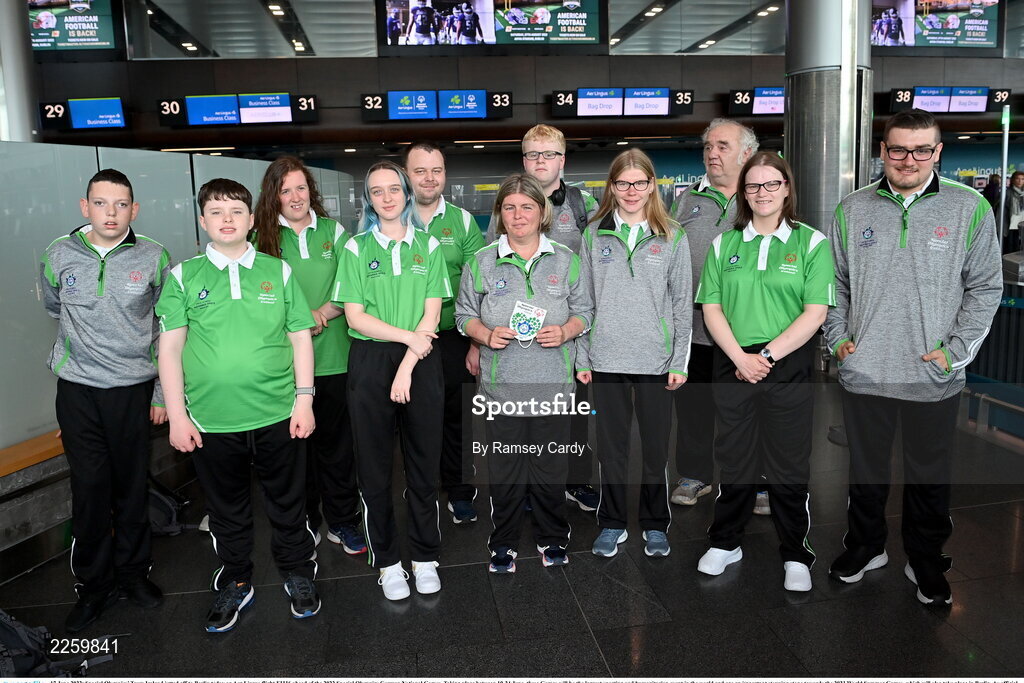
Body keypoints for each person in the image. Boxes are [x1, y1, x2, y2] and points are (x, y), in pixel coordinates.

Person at [824, 109, 1002, 606]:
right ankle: (865, 547)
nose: (909, 159)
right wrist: (838, 340)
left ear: (938, 152)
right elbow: (832, 285)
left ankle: (924, 560)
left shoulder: (970, 209)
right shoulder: (852, 209)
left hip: (933, 375)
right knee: (866, 471)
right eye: (898, 149)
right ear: (882, 150)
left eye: (922, 149)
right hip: (866, 371)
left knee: (929, 477)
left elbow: (986, 287)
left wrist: (955, 353)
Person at [157, 178, 320, 632]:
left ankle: (298, 572)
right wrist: (177, 415)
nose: (226, 219)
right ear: (202, 220)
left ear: (251, 219)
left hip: (278, 413)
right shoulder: (183, 276)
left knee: (289, 504)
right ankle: (236, 579)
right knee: (226, 509)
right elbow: (168, 350)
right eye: (216, 212)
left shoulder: (278, 270)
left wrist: (304, 400)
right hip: (211, 420)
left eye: (235, 211)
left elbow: (300, 337)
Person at [694, 152, 835, 592]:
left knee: (788, 463)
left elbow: (815, 313)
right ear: (743, 192)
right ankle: (726, 541)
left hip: (787, 363)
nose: (762, 193)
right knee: (734, 458)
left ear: (787, 189)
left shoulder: (812, 243)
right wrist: (740, 358)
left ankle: (796, 552)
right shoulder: (724, 244)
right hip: (733, 361)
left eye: (771, 184)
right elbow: (711, 307)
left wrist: (767, 357)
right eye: (753, 186)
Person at [41, 169, 170, 633]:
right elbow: (56, 309)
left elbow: (165, 328)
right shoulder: (58, 254)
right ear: (85, 206)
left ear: (134, 209)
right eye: (101, 203)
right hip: (77, 390)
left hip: (133, 390)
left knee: (131, 487)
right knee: (90, 489)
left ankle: (134, 576)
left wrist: (159, 391)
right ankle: (94, 587)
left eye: (120, 205)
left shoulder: (155, 256)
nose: (111, 213)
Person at [456, 173, 593, 572]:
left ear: (542, 211)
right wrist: (485, 333)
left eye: (527, 207)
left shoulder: (567, 261)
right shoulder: (481, 262)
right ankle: (504, 542)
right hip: (502, 388)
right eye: (510, 207)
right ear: (500, 213)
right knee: (507, 470)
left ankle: (553, 538)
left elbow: (586, 312)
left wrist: (567, 329)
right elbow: (463, 315)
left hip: (553, 387)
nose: (519, 216)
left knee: (551, 469)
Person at [333, 161, 451, 601]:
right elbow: (355, 315)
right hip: (371, 359)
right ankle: (388, 562)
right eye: (377, 191)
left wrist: (407, 364)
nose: (387, 198)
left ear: (405, 192)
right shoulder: (355, 248)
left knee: (423, 465)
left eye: (393, 189)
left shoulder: (429, 244)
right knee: (375, 469)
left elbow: (433, 310)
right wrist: (407, 345)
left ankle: (424, 557)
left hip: (420, 361)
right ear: (369, 199)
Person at [577, 148, 692, 559]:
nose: (631, 191)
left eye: (639, 183)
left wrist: (679, 360)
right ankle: (611, 522)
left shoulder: (671, 235)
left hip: (655, 361)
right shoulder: (593, 234)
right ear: (612, 186)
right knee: (611, 450)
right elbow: (582, 302)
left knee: (655, 449)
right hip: (605, 358)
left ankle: (655, 523)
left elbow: (681, 305)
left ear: (652, 185)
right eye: (622, 183)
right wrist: (582, 356)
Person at [252, 156, 366, 556]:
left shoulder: (334, 233)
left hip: (335, 357)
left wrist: (320, 315)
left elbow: (352, 283)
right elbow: (256, 300)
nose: (295, 196)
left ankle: (343, 522)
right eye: (286, 190)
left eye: (301, 188)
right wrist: (299, 321)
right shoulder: (259, 240)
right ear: (274, 196)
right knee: (294, 451)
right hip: (283, 365)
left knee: (337, 447)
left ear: (311, 192)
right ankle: (304, 523)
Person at [489, 124, 601, 512]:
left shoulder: (583, 203)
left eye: (548, 154)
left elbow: (591, 272)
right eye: (533, 154)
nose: (541, 161)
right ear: (524, 159)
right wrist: (479, 339)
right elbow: (489, 273)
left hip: (569, 332)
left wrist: (579, 335)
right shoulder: (508, 205)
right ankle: (522, 489)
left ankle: (575, 481)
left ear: (562, 159)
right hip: (516, 341)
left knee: (572, 413)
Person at [669, 118, 758, 508]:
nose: (712, 153)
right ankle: (694, 475)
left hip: (746, 332)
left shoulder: (762, 196)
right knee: (693, 411)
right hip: (694, 331)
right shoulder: (687, 200)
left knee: (745, 413)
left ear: (747, 154)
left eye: (722, 145)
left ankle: (753, 481)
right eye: (708, 146)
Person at [403, 142, 485, 524]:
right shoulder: (388, 218)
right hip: (401, 337)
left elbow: (477, 285)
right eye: (420, 171)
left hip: (449, 334)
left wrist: (475, 343)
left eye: (436, 170)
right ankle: (419, 486)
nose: (429, 178)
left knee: (457, 417)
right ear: (407, 175)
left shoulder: (463, 222)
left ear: (445, 175)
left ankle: (459, 488)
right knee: (412, 416)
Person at [1005, 171, 1024, 253]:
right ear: (1013, 180)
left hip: (1022, 223)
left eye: (1022, 179)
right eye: (1017, 179)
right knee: (1011, 247)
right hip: (1011, 225)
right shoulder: (1008, 192)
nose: (1020, 181)